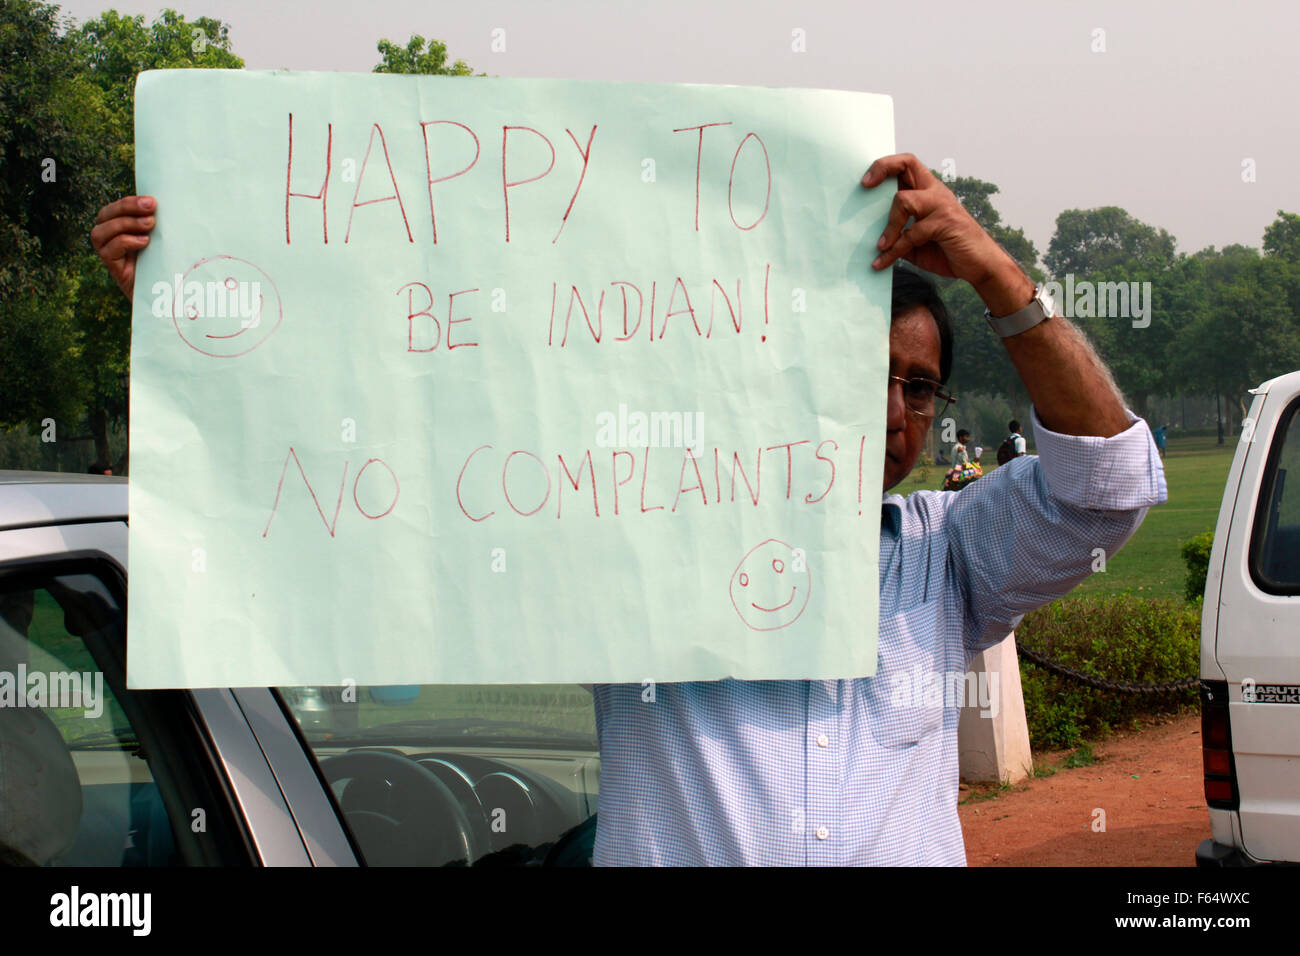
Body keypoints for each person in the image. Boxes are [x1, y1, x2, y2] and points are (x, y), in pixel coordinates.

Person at [92, 152, 1167, 866]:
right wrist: (193, 309)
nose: (891, 409)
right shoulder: (633, 532)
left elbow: (1107, 482)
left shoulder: (945, 554)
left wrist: (994, 274)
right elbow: (395, 469)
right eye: (859, 371)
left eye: (919, 386)